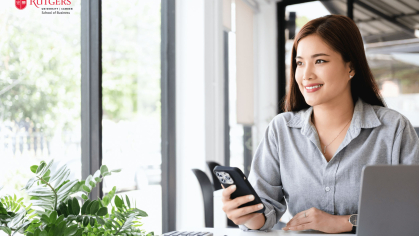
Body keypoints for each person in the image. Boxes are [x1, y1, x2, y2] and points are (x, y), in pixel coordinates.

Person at [220, 14, 419, 234]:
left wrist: (346, 221)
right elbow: (264, 212)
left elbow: (413, 212)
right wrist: (247, 215)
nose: (306, 75)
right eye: (299, 63)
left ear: (350, 67)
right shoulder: (282, 130)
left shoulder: (393, 129)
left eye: (320, 61)